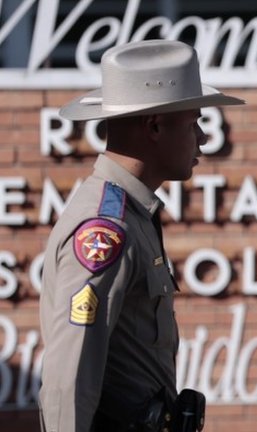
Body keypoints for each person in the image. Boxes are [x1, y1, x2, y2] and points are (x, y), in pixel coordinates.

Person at [38, 39, 244, 432]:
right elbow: (70, 376)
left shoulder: (132, 213)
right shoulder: (105, 229)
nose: (202, 138)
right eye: (193, 123)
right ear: (153, 126)